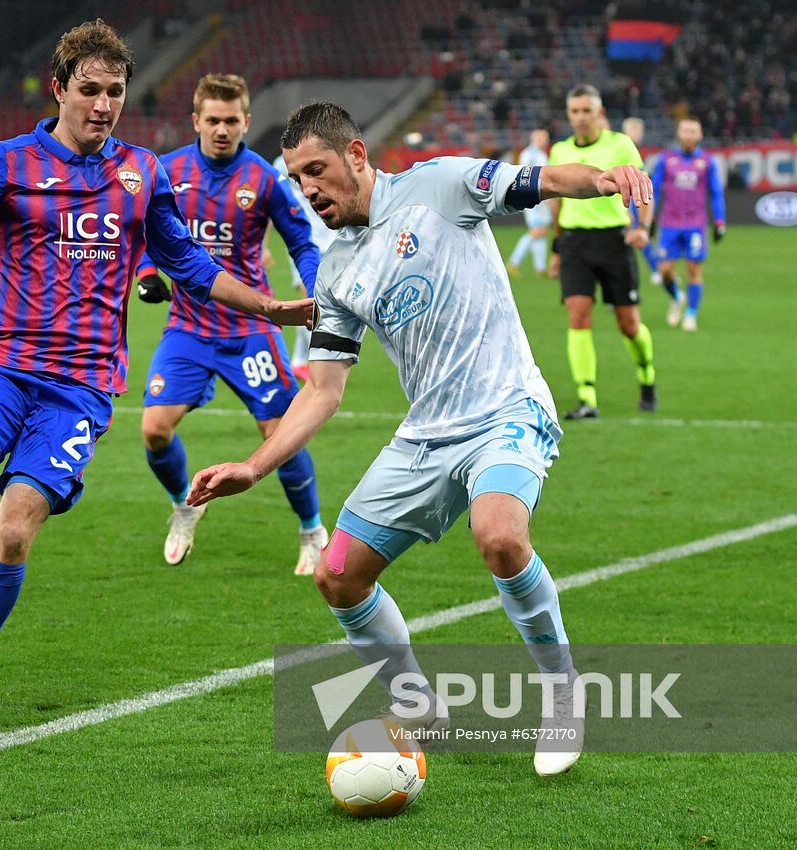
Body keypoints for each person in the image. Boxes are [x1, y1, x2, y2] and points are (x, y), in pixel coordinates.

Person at [0, 20, 313, 762]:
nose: (102, 105)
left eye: (115, 92)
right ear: (58, 88)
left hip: (82, 387)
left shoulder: (141, 174)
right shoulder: (4, 163)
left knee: (10, 533)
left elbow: (186, 262)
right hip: (0, 363)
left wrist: (268, 307)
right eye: (89, 90)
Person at [188, 101, 654, 776]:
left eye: (317, 169)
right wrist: (254, 468)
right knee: (338, 576)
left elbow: (543, 180)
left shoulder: (438, 185)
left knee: (499, 536)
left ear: (356, 156)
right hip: (427, 435)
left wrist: (605, 181)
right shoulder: (336, 269)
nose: (309, 188)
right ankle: (419, 707)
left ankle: (562, 696)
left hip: (504, 411)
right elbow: (322, 389)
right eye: (297, 179)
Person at [133, 73, 325, 574]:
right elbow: (140, 235)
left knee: (279, 436)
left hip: (250, 331)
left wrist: (311, 281)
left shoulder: (263, 178)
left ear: (246, 122)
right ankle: (186, 504)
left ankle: (311, 529)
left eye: (232, 121)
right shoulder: (167, 170)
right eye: (213, 120)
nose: (222, 129)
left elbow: (302, 241)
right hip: (188, 328)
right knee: (154, 430)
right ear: (196, 120)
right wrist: (149, 272)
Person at [548, 86, 657, 420]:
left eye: (586, 111)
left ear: (599, 112)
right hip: (575, 245)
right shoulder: (559, 150)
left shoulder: (620, 144)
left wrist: (643, 228)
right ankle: (587, 397)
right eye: (575, 111)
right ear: (569, 115)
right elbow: (556, 200)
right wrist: (557, 246)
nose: (581, 117)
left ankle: (646, 374)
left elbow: (643, 187)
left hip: (614, 242)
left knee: (629, 324)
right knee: (578, 316)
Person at [649, 118, 725, 330]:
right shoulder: (666, 159)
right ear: (679, 134)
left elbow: (716, 193)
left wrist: (720, 221)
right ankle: (677, 297)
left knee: (693, 269)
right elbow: (654, 189)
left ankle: (691, 314)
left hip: (695, 225)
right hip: (669, 224)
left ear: (700, 135)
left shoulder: (707, 162)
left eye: (693, 131)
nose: (689, 135)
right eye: (685, 131)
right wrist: (650, 218)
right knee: (664, 271)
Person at [273, 149, 335, 380]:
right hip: (302, 241)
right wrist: (262, 245)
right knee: (311, 301)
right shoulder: (281, 165)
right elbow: (272, 203)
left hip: (333, 237)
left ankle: (300, 359)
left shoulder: (324, 157)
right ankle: (313, 362)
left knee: (330, 302)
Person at [620, 116, 673, 304]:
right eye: (633, 130)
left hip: (639, 198)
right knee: (631, 238)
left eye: (639, 131)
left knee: (642, 235)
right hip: (625, 200)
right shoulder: (622, 150)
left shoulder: (636, 151)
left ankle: (655, 270)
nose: (637, 134)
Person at [506, 128, 553, 277]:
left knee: (542, 232)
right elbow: (524, 175)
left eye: (545, 138)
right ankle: (513, 262)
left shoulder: (540, 154)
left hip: (541, 198)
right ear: (534, 138)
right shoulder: (529, 154)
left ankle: (540, 268)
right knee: (537, 231)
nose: (544, 141)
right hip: (534, 198)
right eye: (541, 138)